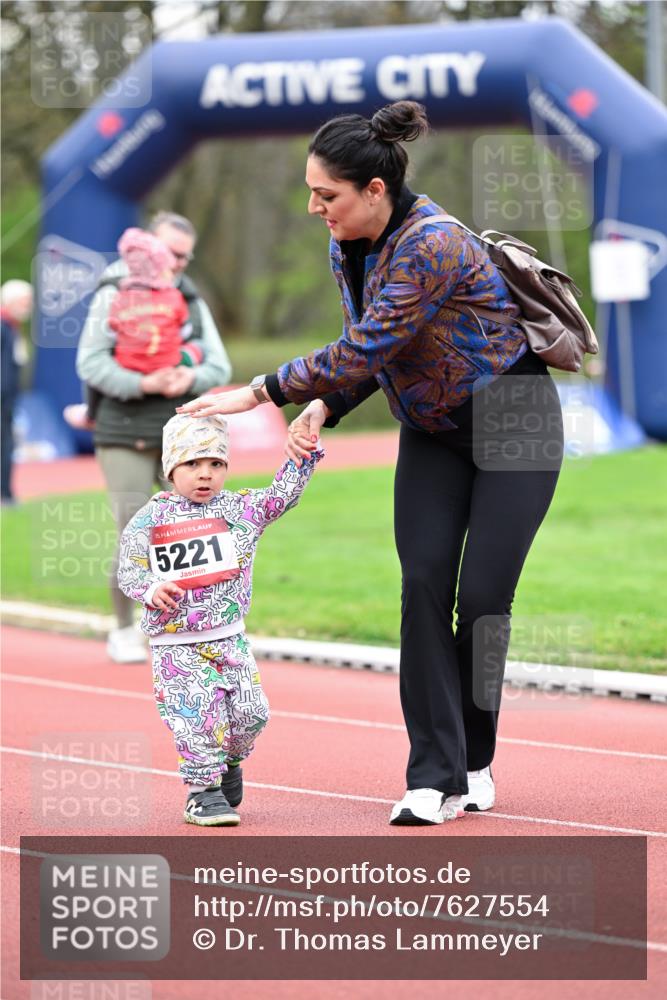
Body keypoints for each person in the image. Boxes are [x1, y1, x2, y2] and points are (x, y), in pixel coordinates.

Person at [177, 101, 564, 826]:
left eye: (327, 195)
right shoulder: (344, 245)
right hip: (429, 429)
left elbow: (364, 346)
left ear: (375, 192)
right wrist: (327, 403)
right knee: (420, 586)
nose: (313, 206)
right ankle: (431, 777)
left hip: (514, 423)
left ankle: (473, 764)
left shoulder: (433, 244)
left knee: (480, 600)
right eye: (311, 191)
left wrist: (260, 392)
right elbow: (372, 346)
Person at [117, 413, 324, 826]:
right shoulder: (151, 518)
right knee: (197, 718)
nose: (205, 474)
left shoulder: (240, 508)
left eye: (215, 464)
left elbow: (281, 496)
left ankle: (228, 762)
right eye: (192, 465)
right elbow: (129, 570)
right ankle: (201, 793)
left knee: (252, 714)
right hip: (176, 644)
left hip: (230, 640)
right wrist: (151, 589)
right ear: (170, 468)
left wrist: (303, 456)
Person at [76, 211, 232, 664]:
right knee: (135, 533)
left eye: (186, 255)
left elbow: (218, 365)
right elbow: (90, 362)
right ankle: (124, 629)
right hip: (122, 429)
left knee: (190, 530)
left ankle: (198, 626)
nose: (178, 263)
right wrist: (144, 383)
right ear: (147, 245)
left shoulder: (187, 294)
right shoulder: (114, 291)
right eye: (171, 253)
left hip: (177, 432)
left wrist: (186, 376)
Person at [67, 227, 202, 429]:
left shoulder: (120, 297)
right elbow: (187, 331)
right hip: (170, 364)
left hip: (130, 364)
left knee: (99, 367)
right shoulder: (176, 296)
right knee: (196, 349)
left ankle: (90, 413)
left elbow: (111, 332)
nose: (177, 264)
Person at [1, 279, 32, 504]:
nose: (28, 307)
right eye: (24, 301)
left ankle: (6, 492)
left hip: (8, 401)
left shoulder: (12, 327)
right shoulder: (3, 327)